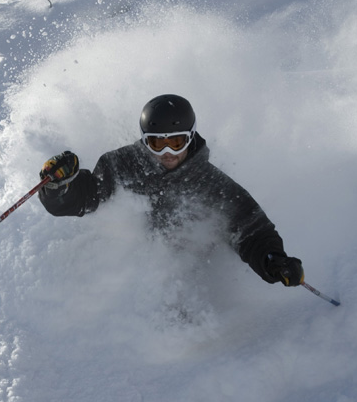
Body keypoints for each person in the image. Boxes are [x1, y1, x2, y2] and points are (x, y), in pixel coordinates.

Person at [37, 94, 304, 287]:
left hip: (189, 267)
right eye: (156, 143)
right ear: (144, 141)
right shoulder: (122, 165)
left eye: (176, 143)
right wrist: (58, 187)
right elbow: (87, 197)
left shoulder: (210, 182)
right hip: (134, 270)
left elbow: (250, 227)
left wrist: (273, 260)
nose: (167, 153)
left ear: (190, 137)